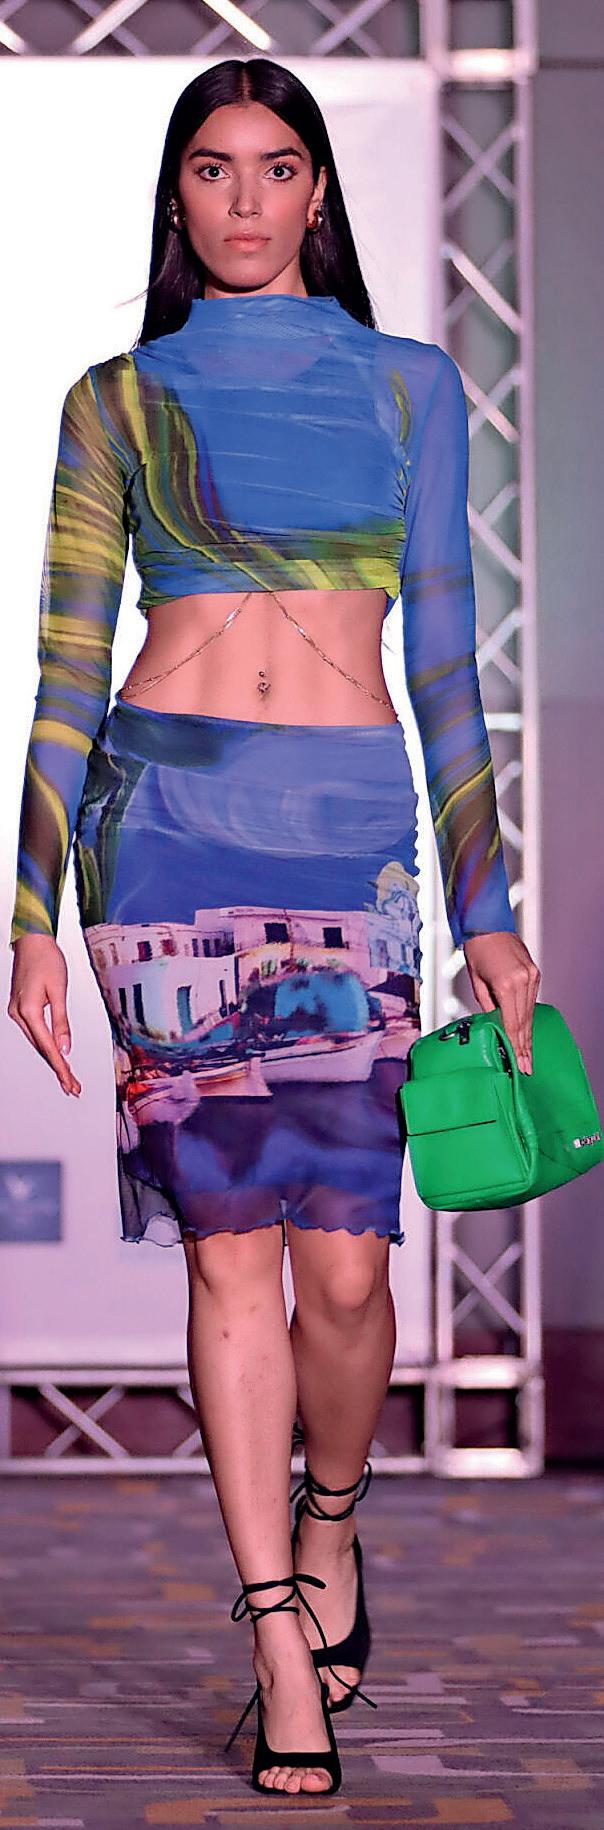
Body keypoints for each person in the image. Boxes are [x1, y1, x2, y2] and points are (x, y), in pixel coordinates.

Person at [7, 56, 540, 1799]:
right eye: (214, 169)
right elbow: (66, 666)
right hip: (160, 837)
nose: (246, 199)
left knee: (351, 1266)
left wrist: (488, 911)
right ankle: (275, 1635)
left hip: (344, 841)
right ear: (178, 197)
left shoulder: (407, 386)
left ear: (319, 192)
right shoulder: (116, 400)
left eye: (279, 166)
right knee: (231, 1252)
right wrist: (31, 908)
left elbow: (446, 660)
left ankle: (333, 1512)